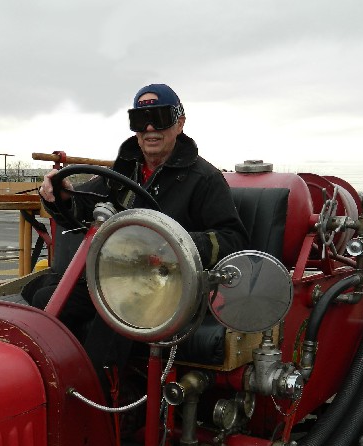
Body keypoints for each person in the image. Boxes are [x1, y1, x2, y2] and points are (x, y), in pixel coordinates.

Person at [33, 83, 249, 379]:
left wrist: (171, 245)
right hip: (113, 275)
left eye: (159, 118)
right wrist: (62, 197)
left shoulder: (204, 179)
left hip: (165, 287)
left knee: (108, 331)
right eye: (140, 120)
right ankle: (46, 384)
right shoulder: (123, 171)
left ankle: (102, 406)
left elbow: (232, 240)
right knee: (45, 300)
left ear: (180, 123)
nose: (149, 128)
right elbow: (84, 209)